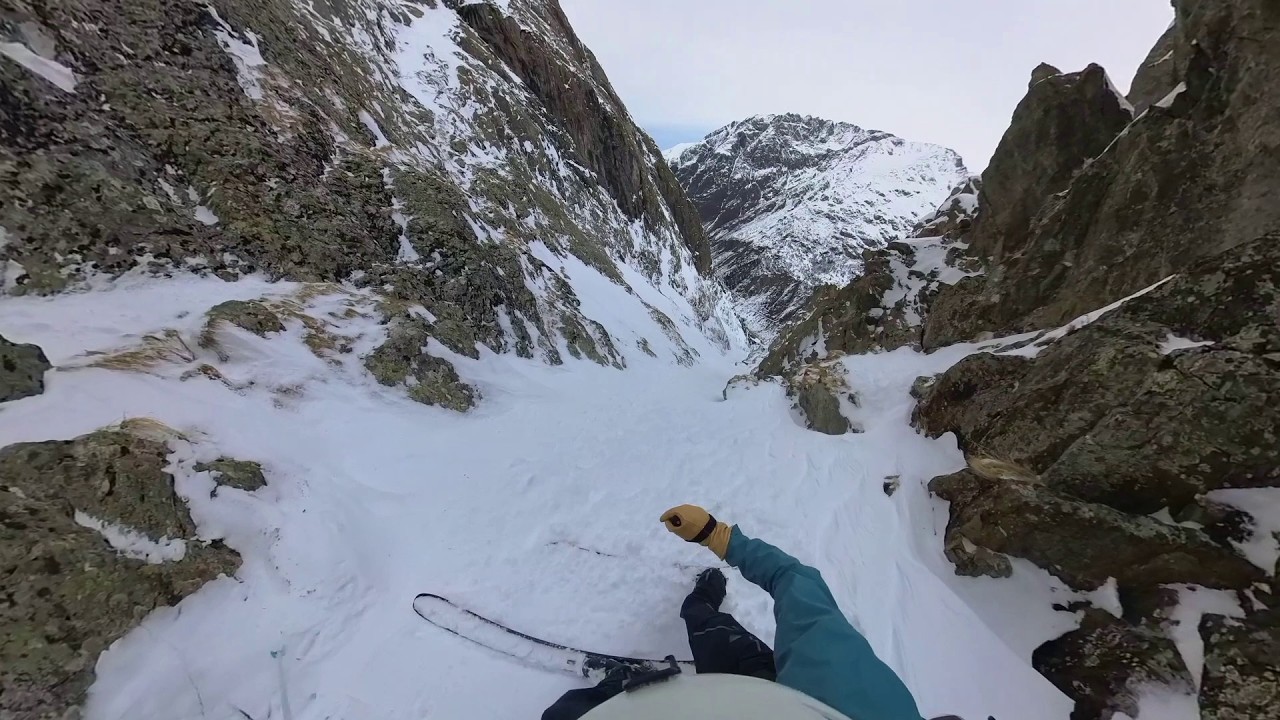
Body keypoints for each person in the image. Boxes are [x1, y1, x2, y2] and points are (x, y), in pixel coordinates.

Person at [540, 504, 927, 720]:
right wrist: (715, 535)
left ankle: (618, 684)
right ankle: (704, 598)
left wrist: (714, 534)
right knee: (709, 626)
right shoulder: (849, 686)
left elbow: (793, 579)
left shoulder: (850, 685)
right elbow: (794, 581)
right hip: (771, 688)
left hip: (765, 695)